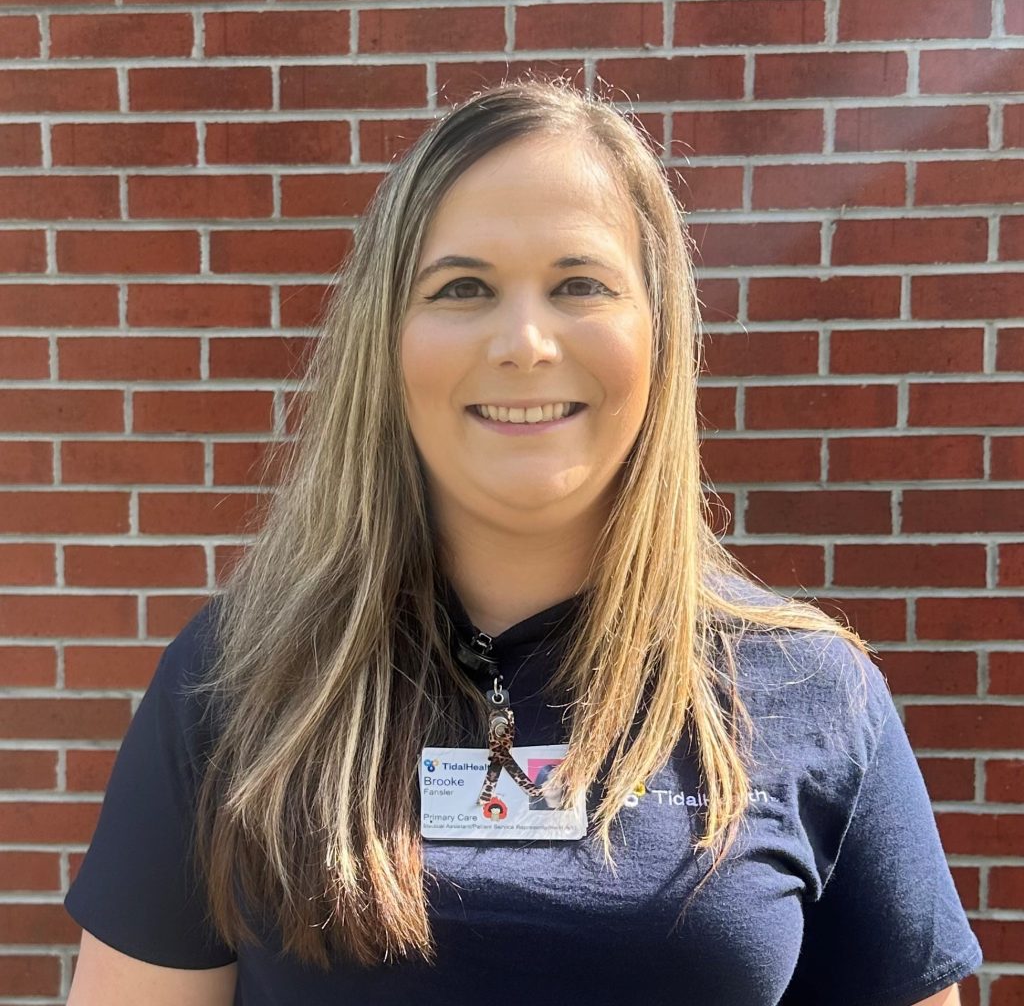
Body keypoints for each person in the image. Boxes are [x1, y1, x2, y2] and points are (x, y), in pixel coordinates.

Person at [63, 77, 982, 1006]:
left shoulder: (811, 690)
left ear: (659, 335)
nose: (525, 342)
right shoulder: (236, 680)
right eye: (464, 287)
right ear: (387, 343)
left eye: (580, 283)